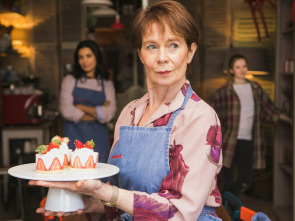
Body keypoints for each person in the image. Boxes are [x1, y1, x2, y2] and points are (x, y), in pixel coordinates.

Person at [29, 1, 223, 220]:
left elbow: (179, 212)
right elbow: (120, 195)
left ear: (190, 52)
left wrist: (105, 192)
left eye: (173, 45)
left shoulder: (199, 117)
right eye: (151, 46)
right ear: (140, 54)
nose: (161, 57)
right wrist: (90, 202)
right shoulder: (130, 112)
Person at [209, 54, 292, 194]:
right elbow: (209, 110)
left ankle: (227, 201)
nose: (242, 70)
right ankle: (229, 210)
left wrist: (288, 119)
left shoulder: (255, 88)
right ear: (231, 70)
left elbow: (269, 108)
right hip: (228, 140)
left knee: (245, 179)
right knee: (226, 178)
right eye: (238, 67)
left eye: (244, 66)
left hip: (248, 140)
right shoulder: (224, 92)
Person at [59, 40, 116, 163]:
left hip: (99, 139)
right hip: (73, 137)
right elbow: (66, 110)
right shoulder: (69, 80)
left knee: (99, 176)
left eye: (88, 56)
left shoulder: (107, 84)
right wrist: (99, 111)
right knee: (73, 175)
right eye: (81, 57)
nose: (85, 61)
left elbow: (110, 113)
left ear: (97, 57)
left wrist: (80, 106)